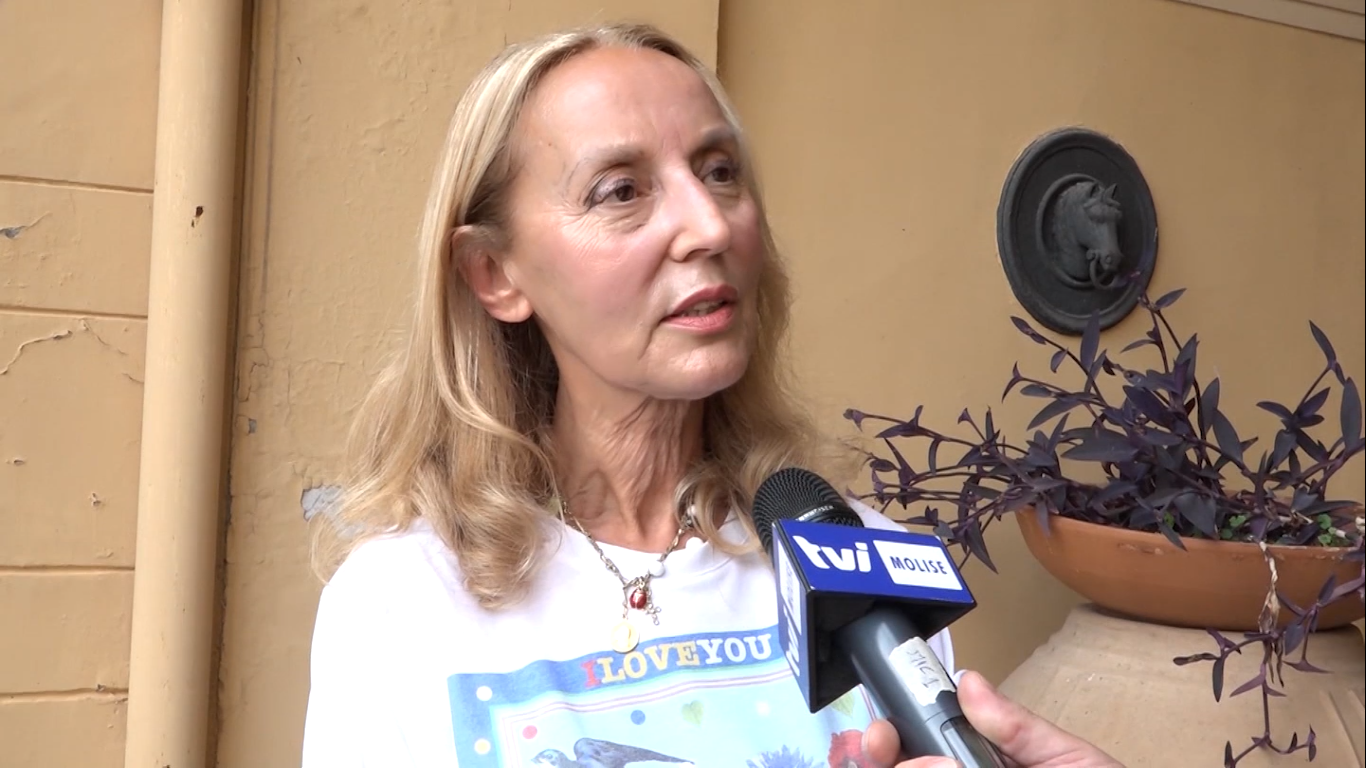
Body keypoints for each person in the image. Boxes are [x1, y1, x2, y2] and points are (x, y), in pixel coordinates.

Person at [300, 21, 1124, 768]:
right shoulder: (399, 607)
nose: (709, 224)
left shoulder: (862, 566)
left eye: (719, 172)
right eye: (621, 191)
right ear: (494, 273)